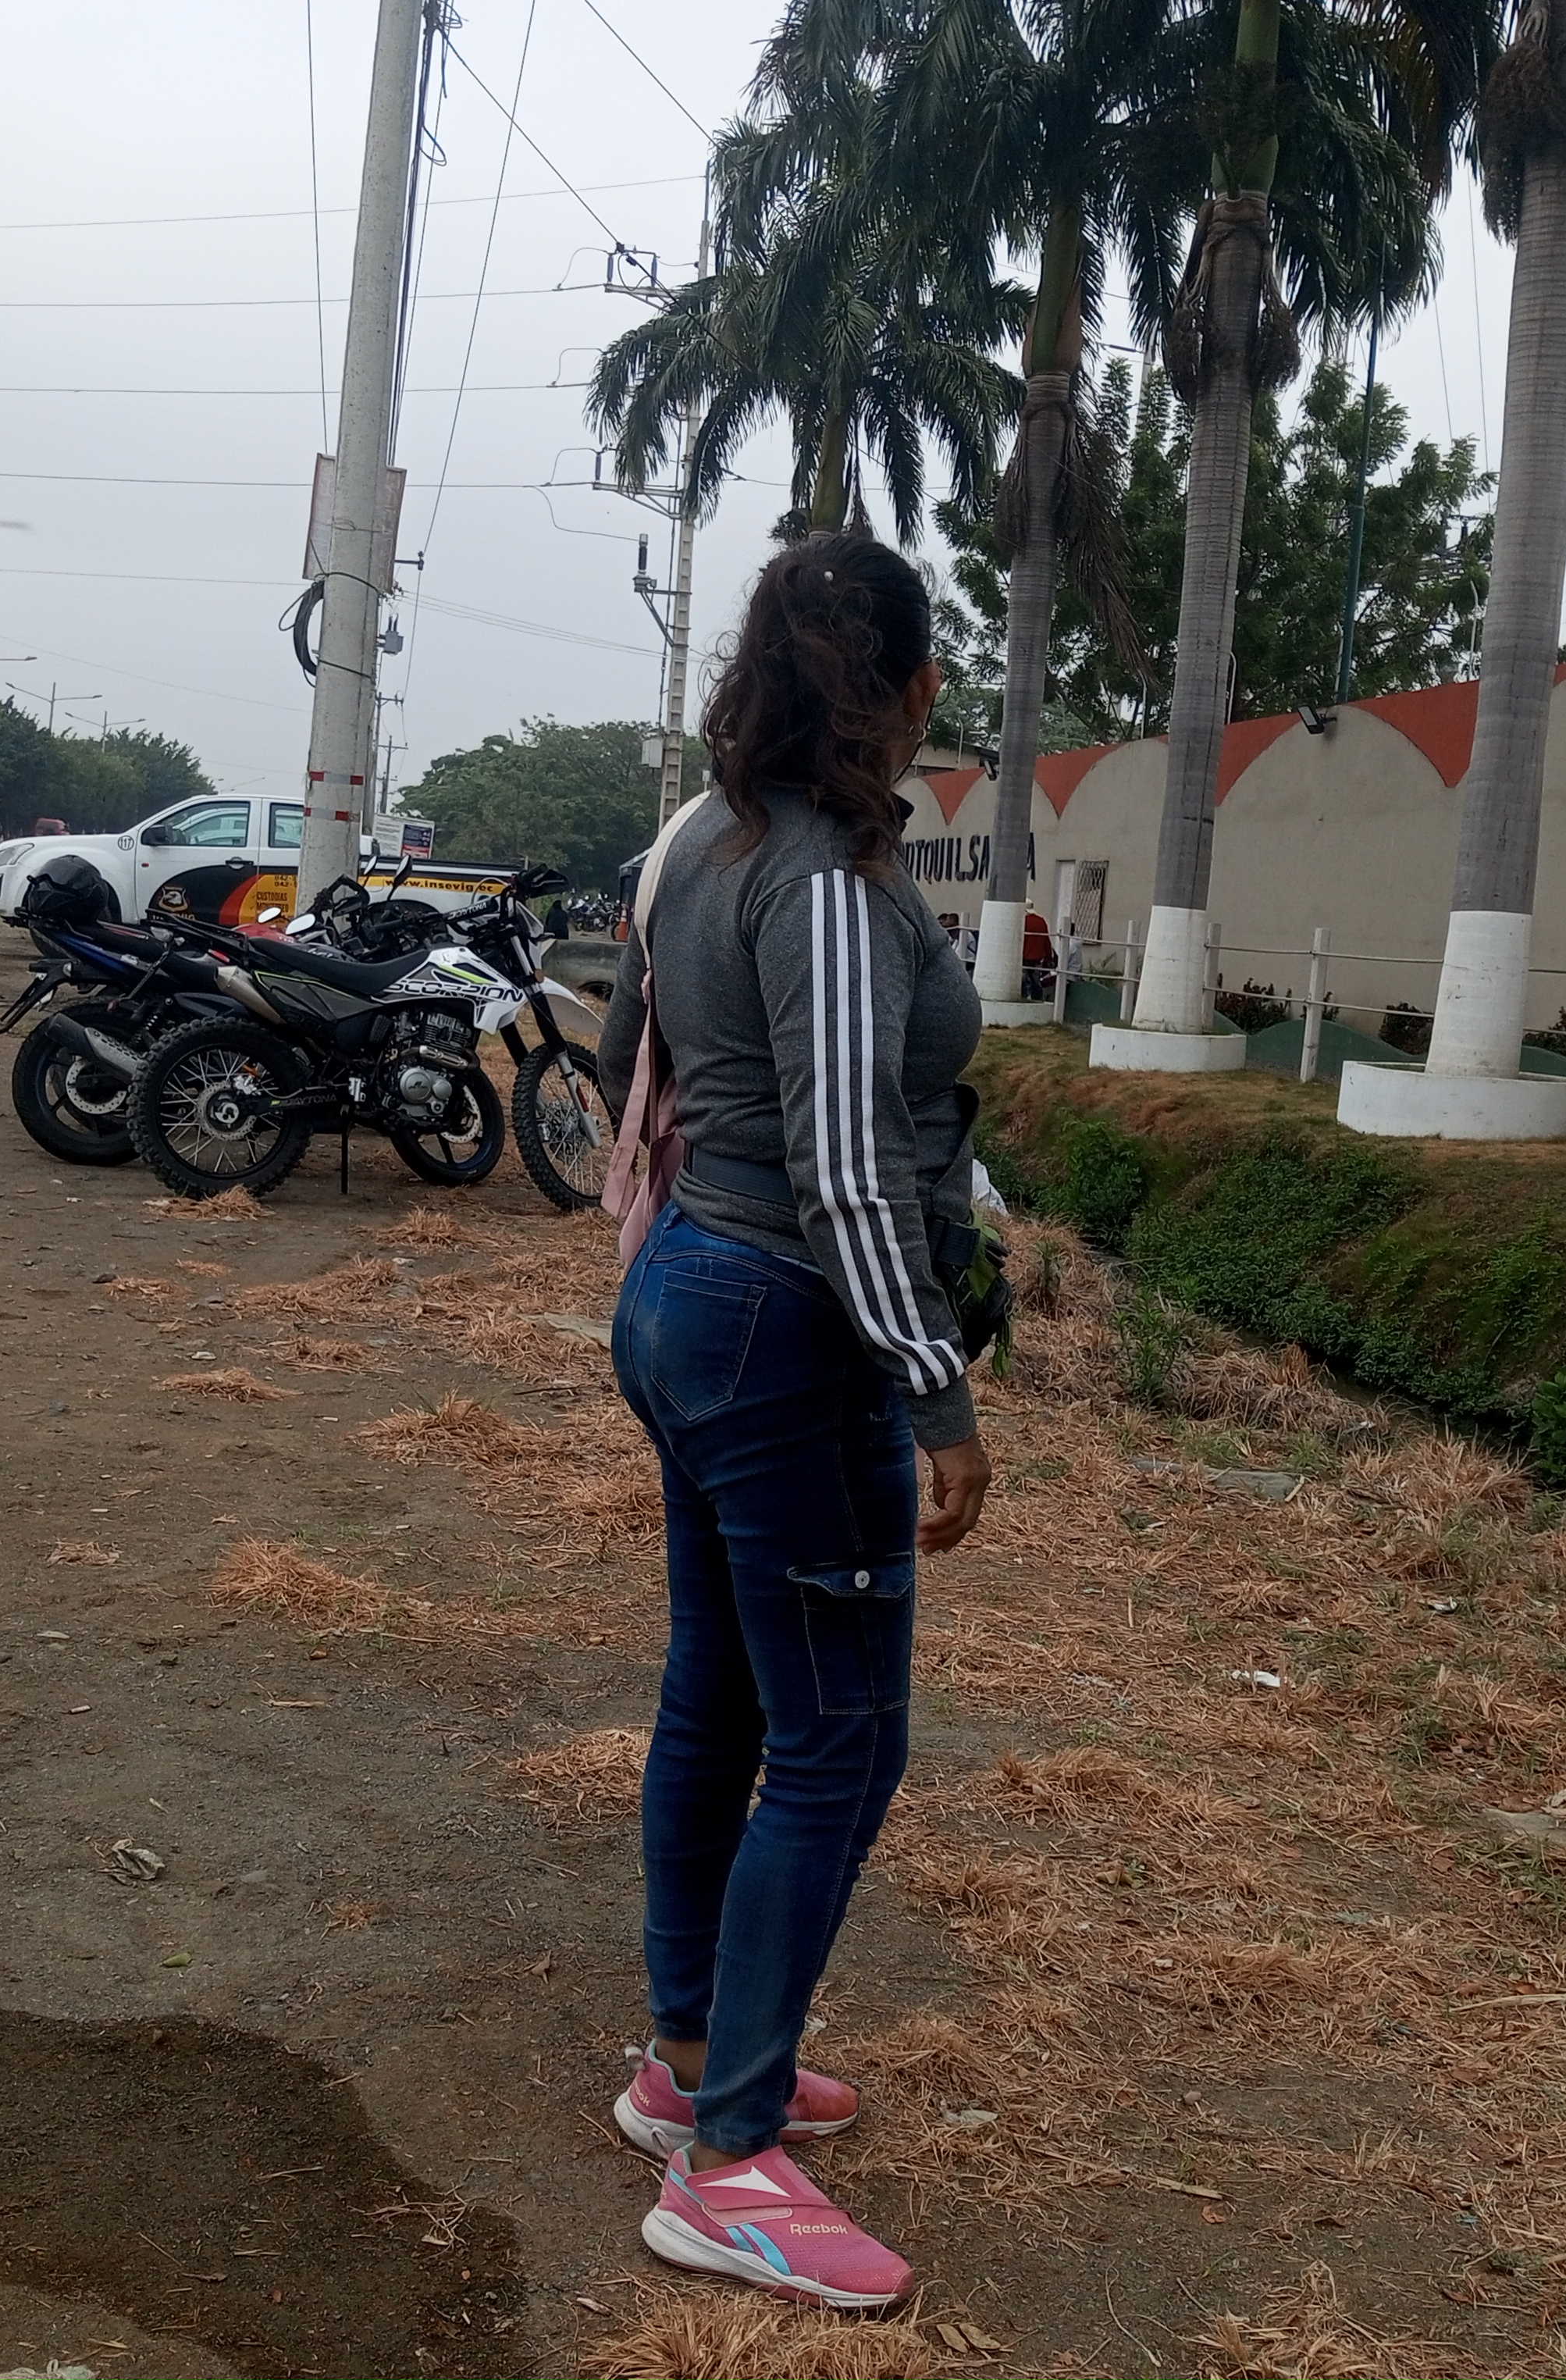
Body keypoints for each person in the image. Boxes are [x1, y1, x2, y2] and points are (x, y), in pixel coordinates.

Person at [596, 532, 992, 2311]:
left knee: (724, 1694)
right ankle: (731, 2165)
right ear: (910, 686)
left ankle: (689, 2063)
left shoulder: (701, 836)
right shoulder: (825, 875)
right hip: (783, 1320)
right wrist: (934, 1385)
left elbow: (638, 1057)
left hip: (689, 1292)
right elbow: (848, 1171)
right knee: (837, 1743)